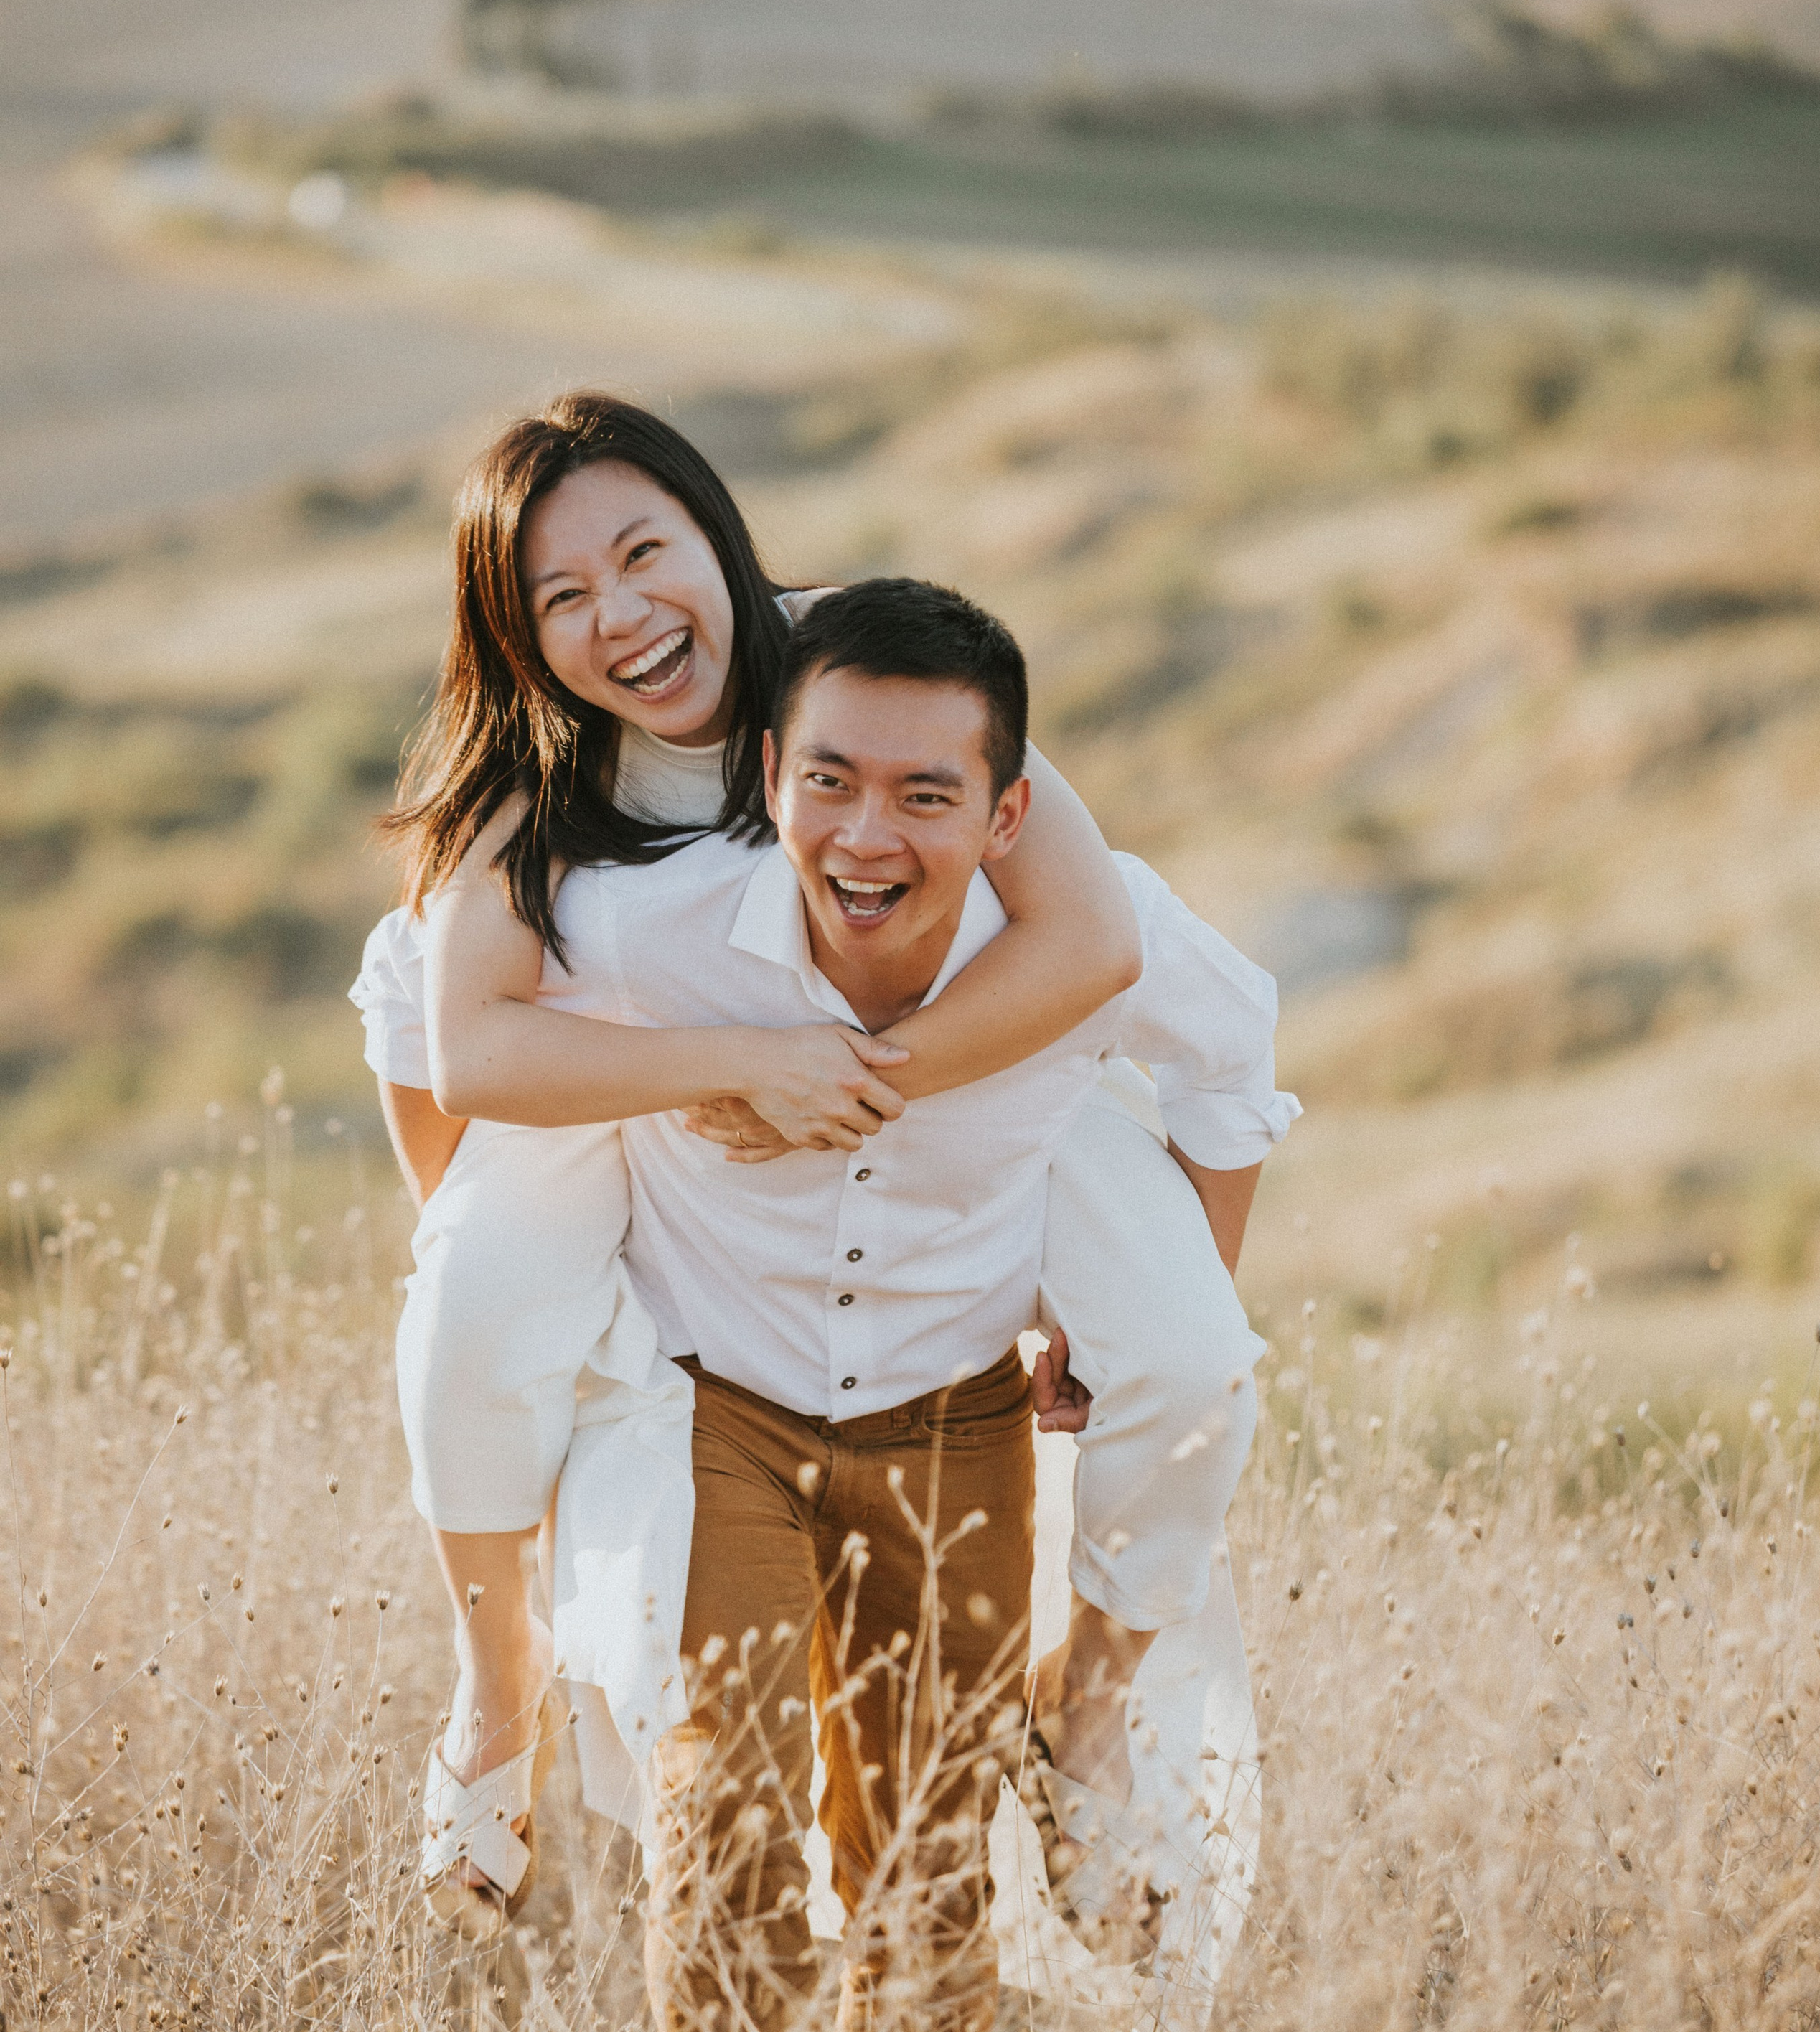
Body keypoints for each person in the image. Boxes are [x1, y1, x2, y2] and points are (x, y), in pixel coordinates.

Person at [352, 393, 1293, 1949]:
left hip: (962, 1070)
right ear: (516, 643)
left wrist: (852, 1093)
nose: (623, 618)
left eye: (645, 553)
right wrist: (707, 1107)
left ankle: (1092, 1711)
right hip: (641, 1093)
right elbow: (440, 1049)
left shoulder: (862, 672)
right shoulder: (534, 779)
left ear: (716, 534)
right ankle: (494, 1678)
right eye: (560, 601)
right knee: (471, 1292)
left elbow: (1093, 938)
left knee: (1194, 1358)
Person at [470, 577, 1290, 2032]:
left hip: (951, 1428)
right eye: (830, 778)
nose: (866, 832)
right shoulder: (649, 934)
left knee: (920, 1860)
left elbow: (1230, 1067)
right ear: (768, 768)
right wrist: (456, 1252)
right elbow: (440, 1005)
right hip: (719, 1423)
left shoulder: (1091, 933)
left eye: (926, 796)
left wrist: (1135, 1301)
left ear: (1004, 816)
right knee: (727, 1827)